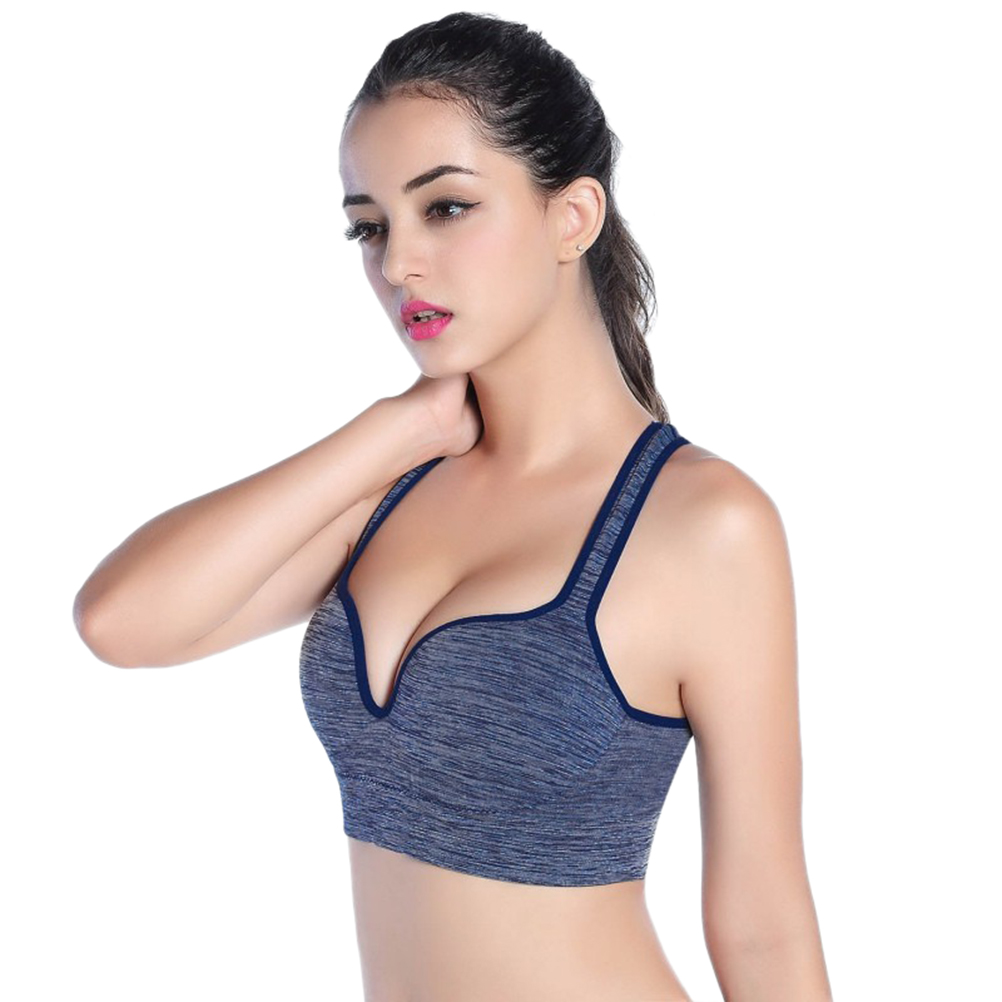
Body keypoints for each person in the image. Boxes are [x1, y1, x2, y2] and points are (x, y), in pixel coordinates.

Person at [74, 12, 832, 1001]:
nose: (398, 264)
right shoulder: (388, 490)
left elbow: (763, 929)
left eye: (447, 208)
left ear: (574, 217)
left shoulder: (704, 525)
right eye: (370, 226)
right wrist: (393, 429)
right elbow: (123, 622)